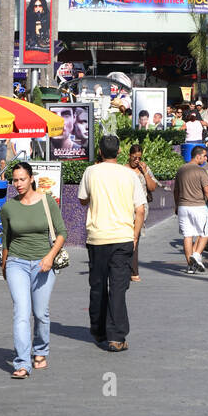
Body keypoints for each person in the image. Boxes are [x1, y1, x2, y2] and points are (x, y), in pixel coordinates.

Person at [79, 135, 146, 352]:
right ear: (119, 153)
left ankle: (98, 330)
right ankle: (116, 337)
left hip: (97, 237)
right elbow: (140, 209)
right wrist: (135, 236)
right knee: (118, 287)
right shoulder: (129, 175)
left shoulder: (91, 172)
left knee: (97, 285)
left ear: (99, 152)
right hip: (123, 237)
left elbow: (82, 199)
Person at [0, 161, 66, 379]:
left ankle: (40, 350)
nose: (18, 184)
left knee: (40, 313)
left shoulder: (47, 202)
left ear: (31, 179)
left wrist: (49, 257)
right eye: (15, 180)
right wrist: (4, 263)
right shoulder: (9, 207)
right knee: (21, 312)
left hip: (43, 262)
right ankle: (22, 363)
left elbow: (62, 233)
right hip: (16, 262)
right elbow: (6, 239)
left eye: (22, 179)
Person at [174, 145, 208, 274]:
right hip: (198, 206)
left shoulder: (181, 169)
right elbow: (207, 190)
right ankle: (197, 255)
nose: (205, 158)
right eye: (204, 156)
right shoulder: (200, 171)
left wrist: (177, 205)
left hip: (183, 206)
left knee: (188, 236)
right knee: (205, 233)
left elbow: (176, 190)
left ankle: (190, 266)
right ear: (197, 156)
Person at [126, 142, 159, 283]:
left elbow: (152, 187)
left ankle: (133, 270)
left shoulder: (144, 169)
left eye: (139, 157)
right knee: (127, 237)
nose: (137, 160)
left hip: (141, 207)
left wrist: (145, 172)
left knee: (135, 238)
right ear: (129, 156)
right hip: (126, 206)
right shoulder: (123, 169)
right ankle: (129, 269)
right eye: (134, 157)